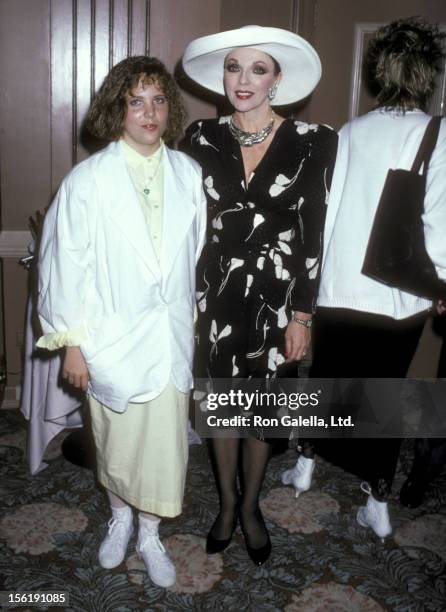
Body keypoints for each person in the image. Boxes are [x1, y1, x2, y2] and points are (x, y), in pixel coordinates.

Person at [37, 56, 206, 587]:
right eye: (136, 101)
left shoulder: (188, 172)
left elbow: (194, 253)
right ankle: (120, 518)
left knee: (163, 445)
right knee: (114, 442)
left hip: (169, 336)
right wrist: (72, 345)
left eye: (158, 100)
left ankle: (151, 532)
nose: (149, 112)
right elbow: (65, 263)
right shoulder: (88, 181)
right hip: (112, 337)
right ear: (118, 109)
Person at [281, 17, 446, 540]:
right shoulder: (436, 135)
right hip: (398, 295)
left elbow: (323, 214)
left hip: (337, 286)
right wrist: (442, 284)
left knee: (330, 379)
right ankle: (377, 500)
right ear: (428, 75)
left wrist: (312, 285)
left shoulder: (348, 131)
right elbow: (439, 219)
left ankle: (305, 464)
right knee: (385, 395)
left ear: (379, 72)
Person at [182, 25, 337, 565]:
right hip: (215, 295)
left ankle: (251, 507)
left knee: (262, 412)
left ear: (277, 79)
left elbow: (312, 232)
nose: (243, 80)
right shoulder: (199, 137)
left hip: (277, 300)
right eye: (233, 67)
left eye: (258, 68)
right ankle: (226, 504)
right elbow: (184, 224)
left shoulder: (316, 140)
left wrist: (303, 314)